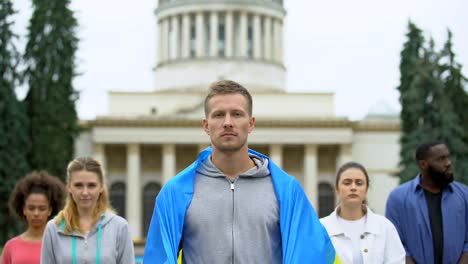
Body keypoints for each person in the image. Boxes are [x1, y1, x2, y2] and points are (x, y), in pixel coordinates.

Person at [143, 80, 338, 263]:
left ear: (251, 123)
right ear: (206, 125)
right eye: (219, 115)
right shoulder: (174, 193)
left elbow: (312, 254)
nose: (228, 122)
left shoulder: (287, 192)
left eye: (237, 114)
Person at [386, 141, 468, 264]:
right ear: (423, 164)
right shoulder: (398, 198)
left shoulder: (464, 194)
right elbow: (395, 244)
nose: (448, 163)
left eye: (448, 157)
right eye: (441, 159)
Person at [40, 157, 135, 264]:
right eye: (78, 185)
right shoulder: (54, 228)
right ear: (69, 187)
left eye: (91, 185)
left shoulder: (119, 227)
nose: (85, 192)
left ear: (101, 188)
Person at [320, 162, 405, 264]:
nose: (353, 187)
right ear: (337, 189)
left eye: (359, 183)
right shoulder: (321, 228)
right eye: (347, 183)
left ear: (366, 189)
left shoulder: (384, 227)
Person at [0, 171, 65, 264]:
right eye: (31, 208)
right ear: (24, 209)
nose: (36, 213)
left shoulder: (60, 245)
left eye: (42, 209)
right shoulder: (11, 246)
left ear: (50, 210)